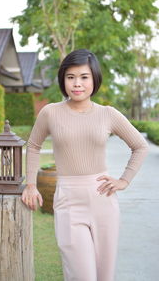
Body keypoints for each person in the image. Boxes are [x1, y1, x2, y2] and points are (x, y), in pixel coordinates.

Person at [21, 49, 149, 281]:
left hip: (103, 200)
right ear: (63, 80)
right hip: (68, 201)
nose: (77, 84)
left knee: (104, 276)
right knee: (82, 276)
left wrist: (124, 180)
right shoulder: (50, 112)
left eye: (84, 77)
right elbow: (33, 146)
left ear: (94, 79)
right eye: (70, 77)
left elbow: (140, 146)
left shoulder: (108, 114)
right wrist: (31, 184)